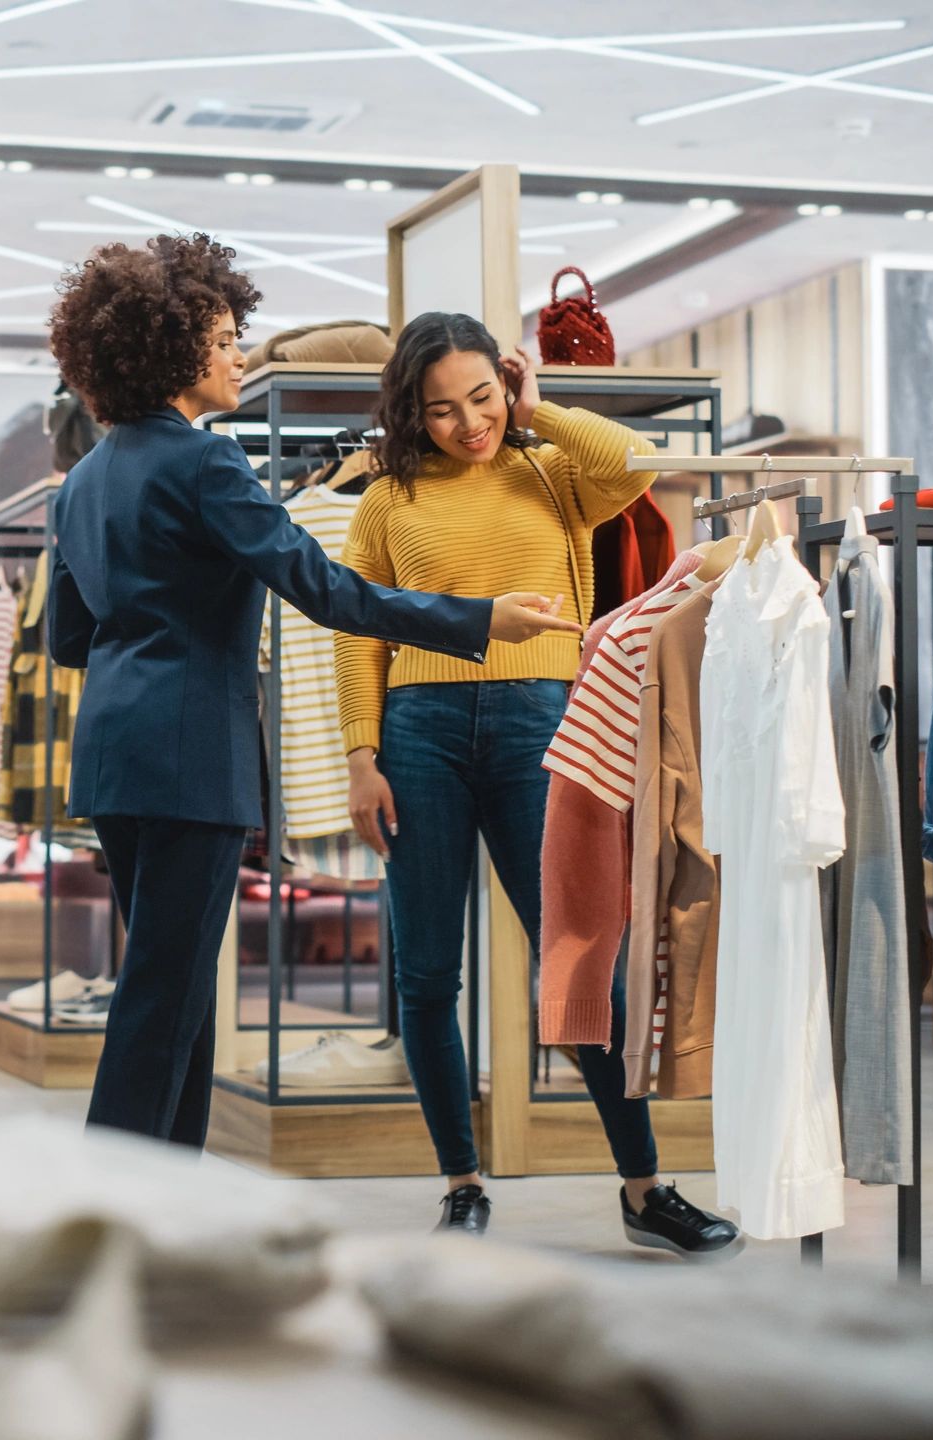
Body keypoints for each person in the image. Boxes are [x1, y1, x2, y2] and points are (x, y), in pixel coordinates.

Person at [43, 234, 578, 1151]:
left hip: (115, 754)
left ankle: (168, 1200)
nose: (237, 354)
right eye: (221, 339)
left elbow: (68, 637)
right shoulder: (208, 465)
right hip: (189, 758)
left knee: (172, 992)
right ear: (175, 352)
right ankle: (108, 1209)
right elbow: (329, 591)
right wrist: (478, 619)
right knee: (160, 1001)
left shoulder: (82, 482)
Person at [339, 310, 739, 1255]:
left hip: (540, 726)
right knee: (430, 972)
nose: (467, 423)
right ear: (410, 412)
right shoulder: (383, 502)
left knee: (581, 959)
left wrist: (539, 408)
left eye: (481, 396)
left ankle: (644, 1190)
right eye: (441, 410)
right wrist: (362, 756)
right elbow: (357, 632)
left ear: (505, 385)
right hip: (420, 734)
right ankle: (461, 1181)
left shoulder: (553, 473)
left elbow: (635, 463)